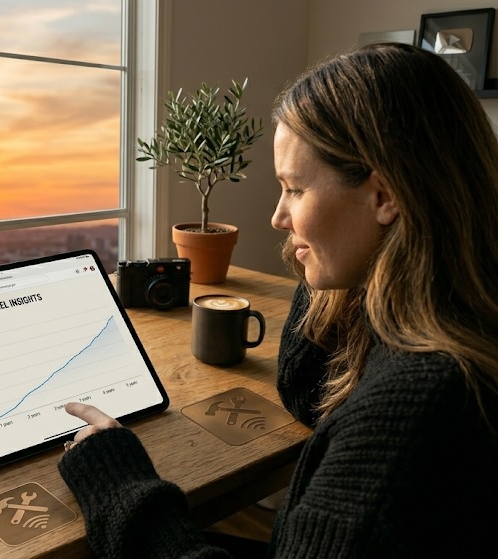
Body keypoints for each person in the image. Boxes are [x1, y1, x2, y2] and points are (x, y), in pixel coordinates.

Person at [57, 42, 498, 558]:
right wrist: (325, 265)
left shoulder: (412, 415)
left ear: (385, 197)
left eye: (294, 189)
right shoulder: (450, 319)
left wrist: (119, 485)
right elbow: (308, 392)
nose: (277, 218)